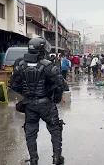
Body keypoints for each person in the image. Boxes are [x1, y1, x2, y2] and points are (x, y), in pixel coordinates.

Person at [9, 37, 65, 165]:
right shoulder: (48, 65)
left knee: (30, 132)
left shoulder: (20, 65)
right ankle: (57, 158)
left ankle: (34, 159)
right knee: (55, 130)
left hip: (29, 105)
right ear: (42, 49)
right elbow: (59, 84)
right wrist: (56, 98)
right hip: (46, 104)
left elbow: (13, 84)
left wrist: (25, 93)